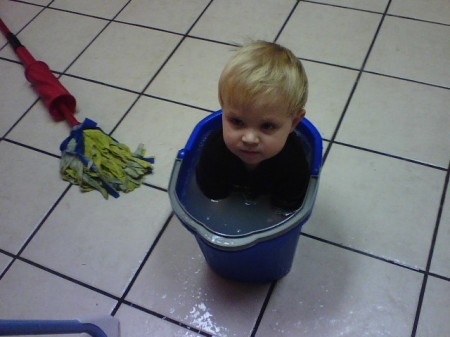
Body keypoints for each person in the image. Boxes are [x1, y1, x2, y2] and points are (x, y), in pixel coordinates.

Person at [196, 41, 310, 211]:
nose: (249, 138)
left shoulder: (293, 163)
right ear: (223, 108)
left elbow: (289, 205)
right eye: (237, 121)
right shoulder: (215, 150)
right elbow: (212, 192)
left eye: (268, 126)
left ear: (294, 123)